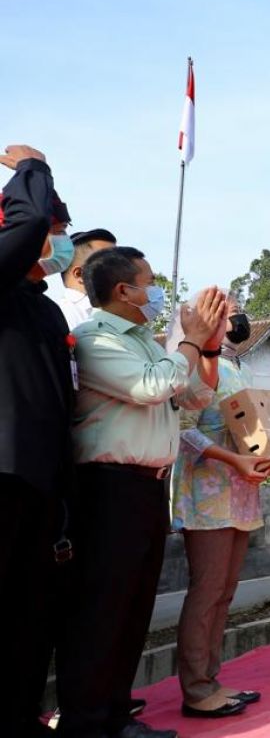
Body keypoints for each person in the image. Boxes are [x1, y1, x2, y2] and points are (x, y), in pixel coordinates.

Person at [57, 247, 226, 738]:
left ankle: (115, 714)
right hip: (109, 488)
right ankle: (86, 722)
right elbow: (154, 387)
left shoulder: (148, 342)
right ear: (123, 291)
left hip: (150, 486)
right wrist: (189, 341)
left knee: (133, 607)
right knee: (103, 607)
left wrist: (207, 346)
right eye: (149, 283)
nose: (157, 293)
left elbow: (193, 395)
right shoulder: (94, 340)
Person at [0, 145, 75, 738]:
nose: (54, 240)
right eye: (53, 230)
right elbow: (23, 223)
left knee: (31, 618)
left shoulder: (42, 309)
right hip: (4, 473)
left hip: (44, 480)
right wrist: (32, 168)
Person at [168, 295, 270, 719]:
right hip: (207, 493)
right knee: (207, 591)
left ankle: (211, 678)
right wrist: (233, 460)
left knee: (225, 593)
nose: (236, 319)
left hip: (242, 491)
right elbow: (185, 433)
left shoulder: (236, 366)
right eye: (226, 314)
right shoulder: (185, 363)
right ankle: (195, 688)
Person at [54, 227, 116, 330]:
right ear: (79, 274)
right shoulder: (62, 314)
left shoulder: (113, 312)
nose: (122, 268)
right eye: (111, 262)